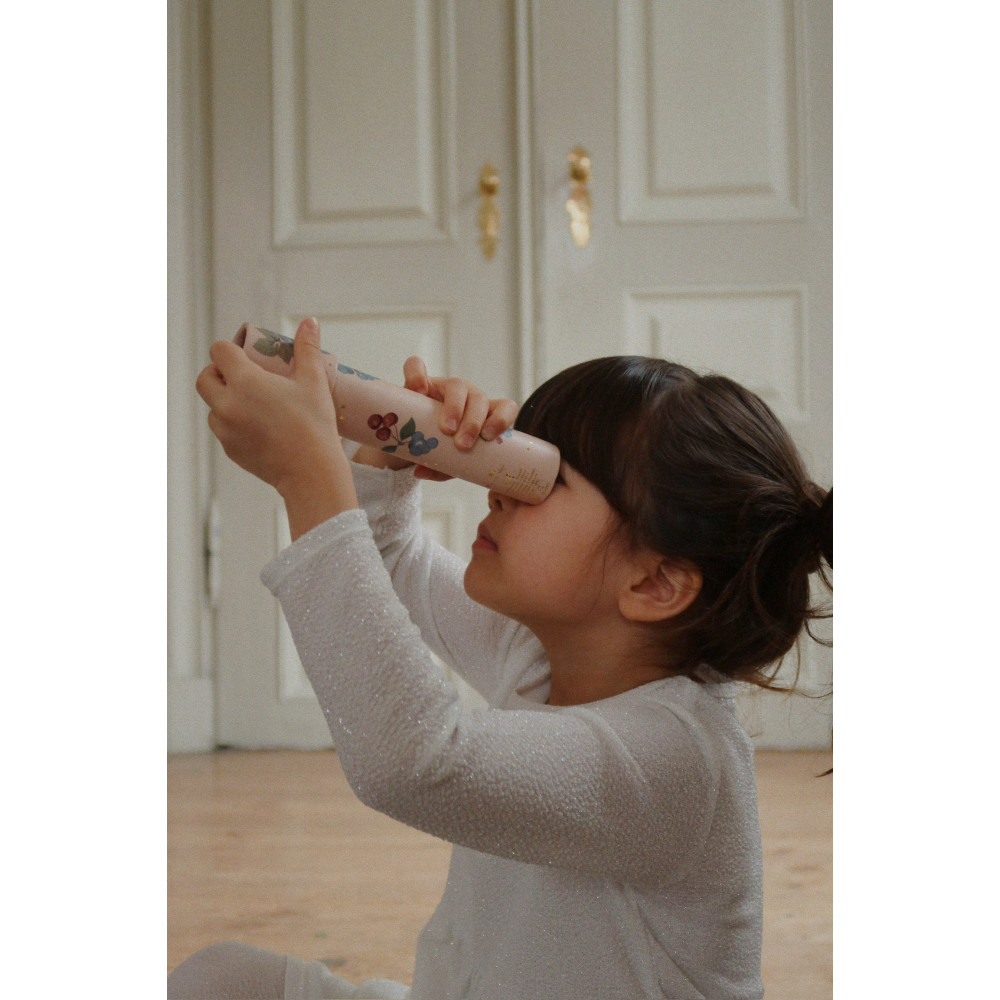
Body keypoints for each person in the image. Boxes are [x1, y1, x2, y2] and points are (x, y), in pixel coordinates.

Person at [171, 317, 832, 999]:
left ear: (654, 584)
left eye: (547, 479)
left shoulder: (679, 759)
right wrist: (390, 452)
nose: (499, 488)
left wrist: (310, 477)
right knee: (217, 981)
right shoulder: (545, 654)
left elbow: (412, 761)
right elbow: (391, 558)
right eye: (521, 458)